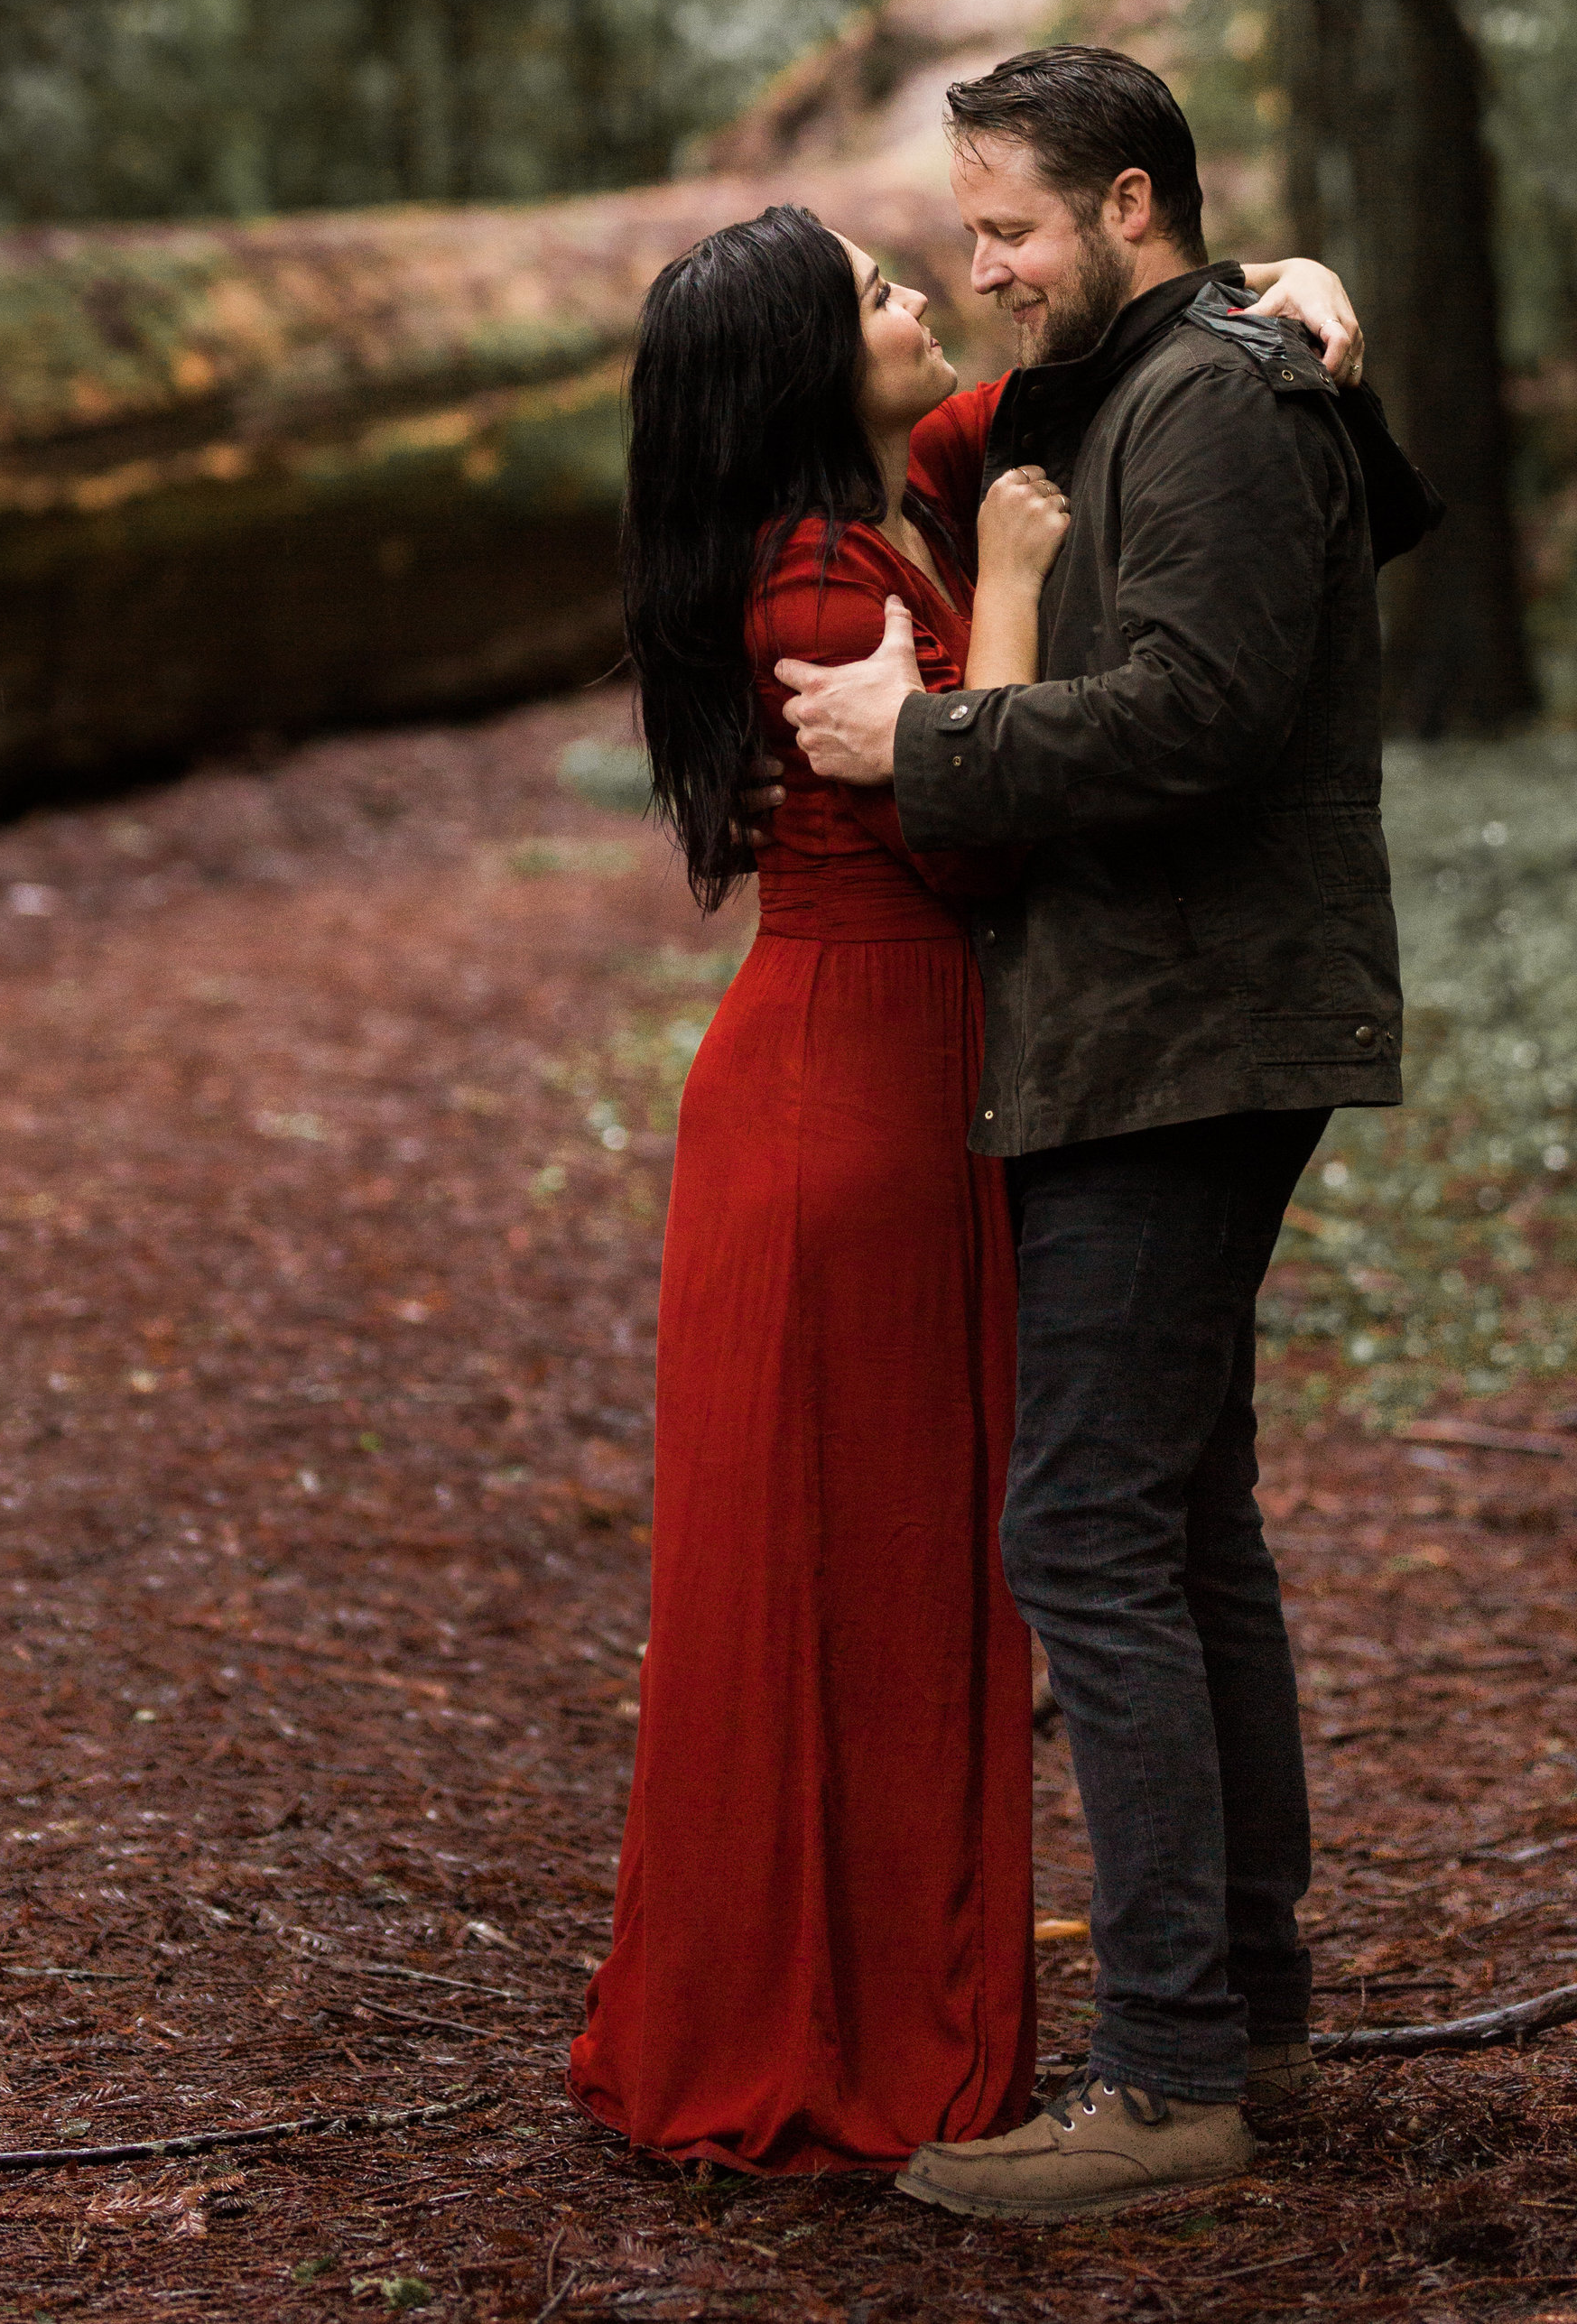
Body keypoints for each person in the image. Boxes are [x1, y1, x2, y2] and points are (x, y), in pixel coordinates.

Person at [567, 195, 1361, 2176]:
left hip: (859, 1073)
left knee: (872, 1559)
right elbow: (973, 848)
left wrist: (1301, 294)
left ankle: (873, 1984)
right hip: (859, 1089)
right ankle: (826, 2021)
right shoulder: (832, 577)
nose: (921, 292)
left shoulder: (878, 491)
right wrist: (1002, 585)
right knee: (866, 1566)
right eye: (872, 294)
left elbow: (1071, 365)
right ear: (796, 373)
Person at [777, 45, 1407, 2222]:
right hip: (1153, 1023)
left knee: (1086, 1537)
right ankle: (1242, 2019)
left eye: (1008, 230)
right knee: (1179, 1522)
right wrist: (1293, 289)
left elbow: (1207, 716)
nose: (979, 270)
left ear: (1127, 207)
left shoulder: (1209, 391)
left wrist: (925, 739)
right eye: (958, 236)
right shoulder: (1155, 373)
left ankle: (1163, 2084)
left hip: (1186, 1030)